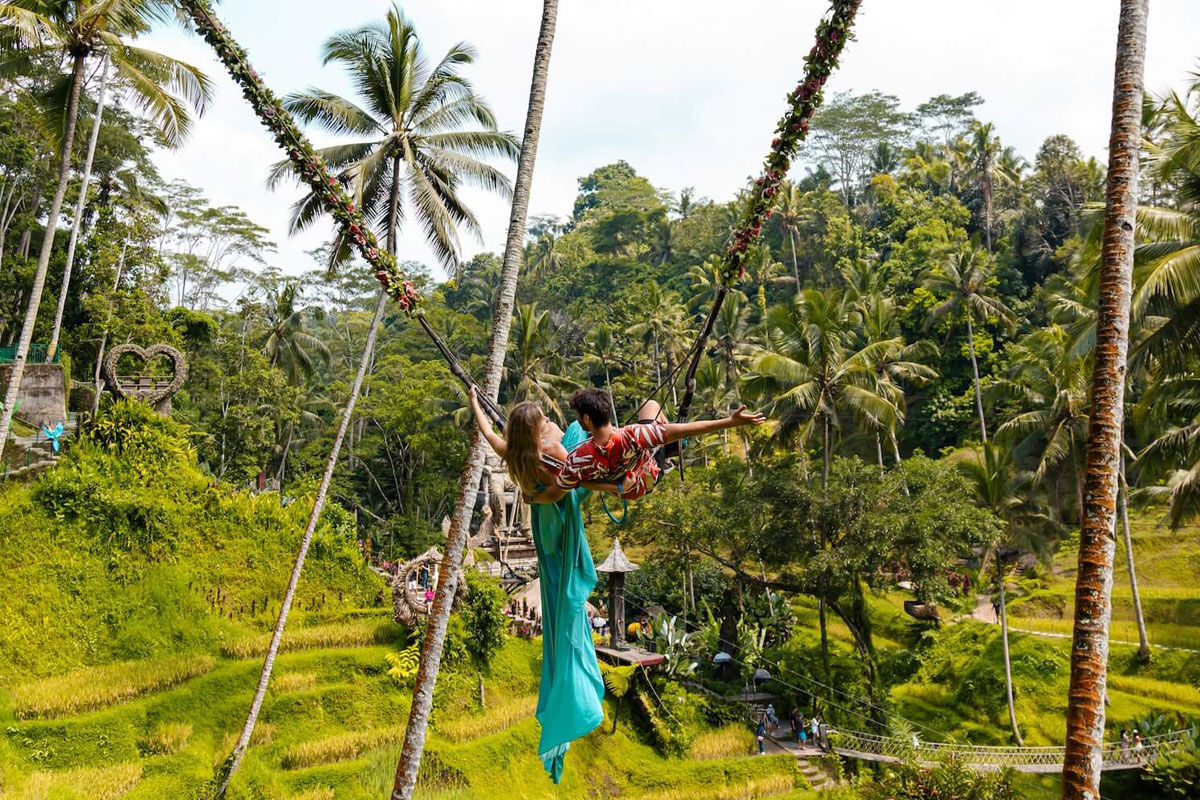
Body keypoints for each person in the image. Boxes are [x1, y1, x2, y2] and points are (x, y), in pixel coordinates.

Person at [529, 388, 765, 504]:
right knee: (652, 406)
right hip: (648, 472)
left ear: (586, 420)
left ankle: (665, 450)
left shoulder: (577, 459)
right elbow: (689, 428)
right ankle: (666, 450)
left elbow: (555, 493)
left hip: (627, 485)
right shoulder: (634, 435)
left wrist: (532, 499)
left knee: (652, 411)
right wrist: (730, 422)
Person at [470, 386, 618, 497]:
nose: (547, 419)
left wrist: (474, 401)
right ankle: (606, 439)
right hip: (565, 495)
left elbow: (488, 432)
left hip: (539, 503)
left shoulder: (511, 452)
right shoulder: (552, 449)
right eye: (543, 419)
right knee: (575, 427)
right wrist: (615, 487)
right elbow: (577, 479)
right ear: (534, 429)